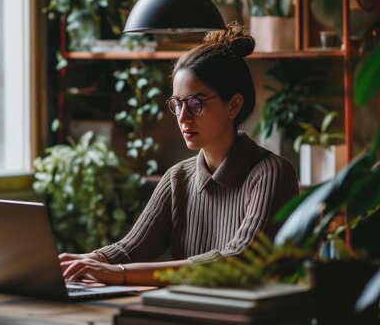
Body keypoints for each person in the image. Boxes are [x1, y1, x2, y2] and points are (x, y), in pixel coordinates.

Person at [59, 22, 299, 286]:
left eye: (196, 104)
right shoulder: (178, 178)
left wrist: (120, 274)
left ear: (233, 105)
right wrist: (85, 261)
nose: (183, 117)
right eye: (177, 104)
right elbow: (131, 249)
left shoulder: (272, 173)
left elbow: (238, 260)